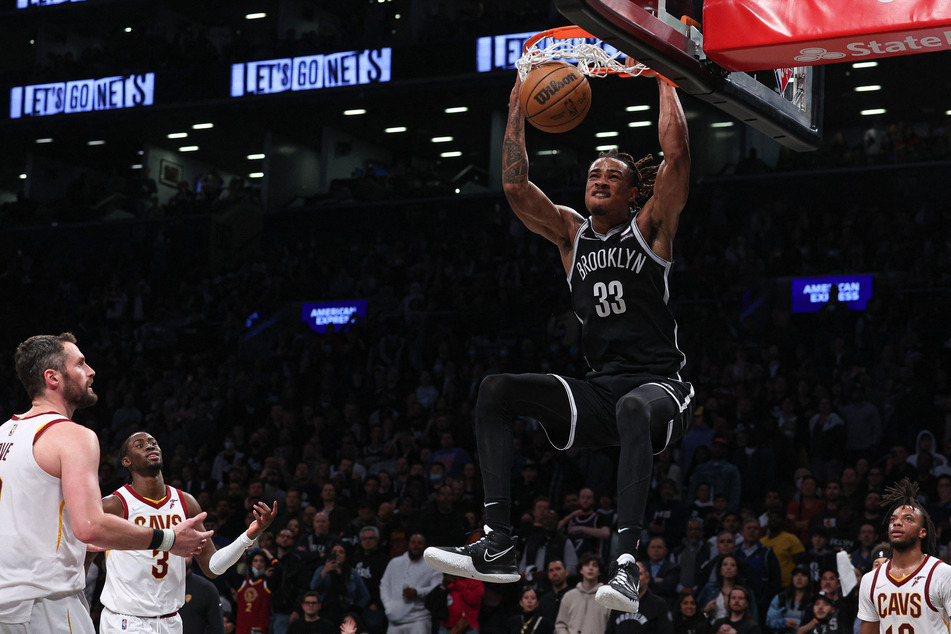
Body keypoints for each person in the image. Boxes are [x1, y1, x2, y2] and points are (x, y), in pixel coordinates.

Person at [424, 66, 693, 616]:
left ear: (633, 191)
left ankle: (623, 562)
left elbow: (678, 156)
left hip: (661, 386)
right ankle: (497, 539)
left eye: (612, 176)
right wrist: (517, 108)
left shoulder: (652, 227)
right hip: (599, 390)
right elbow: (516, 188)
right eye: (593, 173)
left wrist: (666, 74)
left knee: (636, 408)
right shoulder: (572, 234)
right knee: (495, 389)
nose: (598, 180)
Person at [0, 333, 211, 631]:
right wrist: (171, 539)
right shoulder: (72, 435)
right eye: (81, 364)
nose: (91, 371)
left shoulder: (4, 433)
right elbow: (90, 526)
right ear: (53, 377)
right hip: (45, 603)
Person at [96, 431, 276, 632]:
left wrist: (249, 535)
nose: (150, 446)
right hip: (125, 621)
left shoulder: (186, 503)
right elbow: (85, 550)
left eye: (154, 443)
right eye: (140, 445)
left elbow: (212, 567)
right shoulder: (114, 505)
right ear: (126, 461)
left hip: (171, 621)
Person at [857, 478, 951, 633]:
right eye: (893, 519)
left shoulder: (943, 574)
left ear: (922, 532)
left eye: (908, 519)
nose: (897, 523)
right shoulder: (871, 579)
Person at [380, 533, 443, 634]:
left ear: (425, 546)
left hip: (418, 620)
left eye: (419, 543)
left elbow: (437, 587)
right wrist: (388, 605)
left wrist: (418, 592)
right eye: (413, 542)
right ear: (408, 544)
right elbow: (384, 585)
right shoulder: (395, 562)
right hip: (393, 620)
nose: (416, 545)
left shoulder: (432, 565)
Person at [309, 542, 370, 625]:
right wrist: (325, 572)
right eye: (334, 552)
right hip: (324, 611)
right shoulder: (321, 569)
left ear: (345, 555)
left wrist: (355, 610)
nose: (337, 554)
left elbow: (365, 595)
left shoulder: (352, 573)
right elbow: (313, 587)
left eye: (341, 552)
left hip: (345, 612)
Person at [605, 561, 674, 633]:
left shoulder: (659, 604)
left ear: (647, 578)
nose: (635, 577)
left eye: (639, 574)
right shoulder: (618, 603)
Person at [554, 553, 611, 634]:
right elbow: (560, 625)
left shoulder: (607, 597)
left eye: (594, 565)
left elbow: (612, 626)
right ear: (581, 570)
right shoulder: (569, 596)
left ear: (599, 572)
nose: (590, 568)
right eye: (587, 565)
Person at [180, 555, 226, 634]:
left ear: (192, 554)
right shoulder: (159, 587)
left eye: (186, 554)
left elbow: (217, 628)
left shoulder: (206, 588)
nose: (181, 558)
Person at [765, 565, 812, 634]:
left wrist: (804, 628)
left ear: (809, 579)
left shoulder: (814, 601)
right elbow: (769, 621)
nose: (799, 578)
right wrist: (784, 622)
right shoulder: (781, 598)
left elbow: (818, 621)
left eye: (803, 575)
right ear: (792, 578)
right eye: (796, 575)